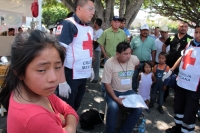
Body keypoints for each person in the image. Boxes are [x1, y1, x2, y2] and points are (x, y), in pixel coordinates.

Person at [0, 30, 79, 133]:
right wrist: (69, 126)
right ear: (19, 72)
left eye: (58, 67)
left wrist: (66, 122)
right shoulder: (37, 118)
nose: (54, 78)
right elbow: (71, 113)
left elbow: (69, 109)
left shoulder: (36, 91)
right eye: (42, 70)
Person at [56, 0, 95, 111]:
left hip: (82, 75)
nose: (93, 12)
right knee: (65, 110)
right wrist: (62, 81)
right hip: (70, 75)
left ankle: (72, 127)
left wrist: (90, 67)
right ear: (79, 8)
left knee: (75, 107)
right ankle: (65, 129)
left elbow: (86, 51)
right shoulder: (68, 24)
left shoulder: (88, 28)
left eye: (94, 9)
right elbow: (58, 55)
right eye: (90, 9)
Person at [165, 23, 200, 133]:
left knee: (190, 110)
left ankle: (186, 130)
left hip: (194, 86)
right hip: (181, 82)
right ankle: (178, 128)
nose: (198, 35)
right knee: (178, 106)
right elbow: (182, 57)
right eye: (196, 32)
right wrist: (171, 70)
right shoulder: (190, 43)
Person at [101, 41, 142, 133]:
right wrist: (115, 98)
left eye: (129, 53)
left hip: (128, 91)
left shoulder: (134, 59)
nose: (128, 56)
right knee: (113, 107)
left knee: (138, 108)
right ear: (117, 54)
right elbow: (106, 84)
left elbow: (137, 64)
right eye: (125, 54)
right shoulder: (110, 63)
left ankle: (124, 131)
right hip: (113, 91)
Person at [162, 21, 193, 101]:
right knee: (166, 81)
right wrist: (164, 55)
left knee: (178, 84)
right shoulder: (172, 37)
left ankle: (176, 101)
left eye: (185, 27)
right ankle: (163, 99)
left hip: (181, 66)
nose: (183, 28)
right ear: (178, 27)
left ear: (187, 28)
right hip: (169, 64)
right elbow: (164, 45)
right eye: (182, 26)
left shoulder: (190, 39)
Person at [97, 15, 127, 95]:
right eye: (115, 21)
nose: (117, 23)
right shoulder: (106, 32)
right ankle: (104, 91)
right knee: (106, 76)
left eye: (118, 22)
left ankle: (116, 91)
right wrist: (105, 54)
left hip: (119, 59)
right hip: (109, 58)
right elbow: (101, 44)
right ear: (111, 22)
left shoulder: (123, 33)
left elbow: (125, 45)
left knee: (118, 76)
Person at [130, 24, 156, 92]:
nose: (145, 32)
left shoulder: (151, 40)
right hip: (135, 62)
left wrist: (153, 61)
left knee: (144, 78)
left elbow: (153, 51)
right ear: (140, 31)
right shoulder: (134, 39)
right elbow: (130, 50)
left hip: (146, 63)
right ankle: (134, 91)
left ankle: (143, 92)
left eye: (146, 30)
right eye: (144, 30)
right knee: (134, 77)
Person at [91, 18, 103, 83]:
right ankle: (92, 76)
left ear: (97, 23)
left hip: (97, 50)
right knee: (93, 63)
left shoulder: (100, 31)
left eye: (94, 22)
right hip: (93, 49)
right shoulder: (95, 31)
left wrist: (93, 49)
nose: (93, 24)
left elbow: (97, 42)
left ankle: (96, 78)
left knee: (96, 64)